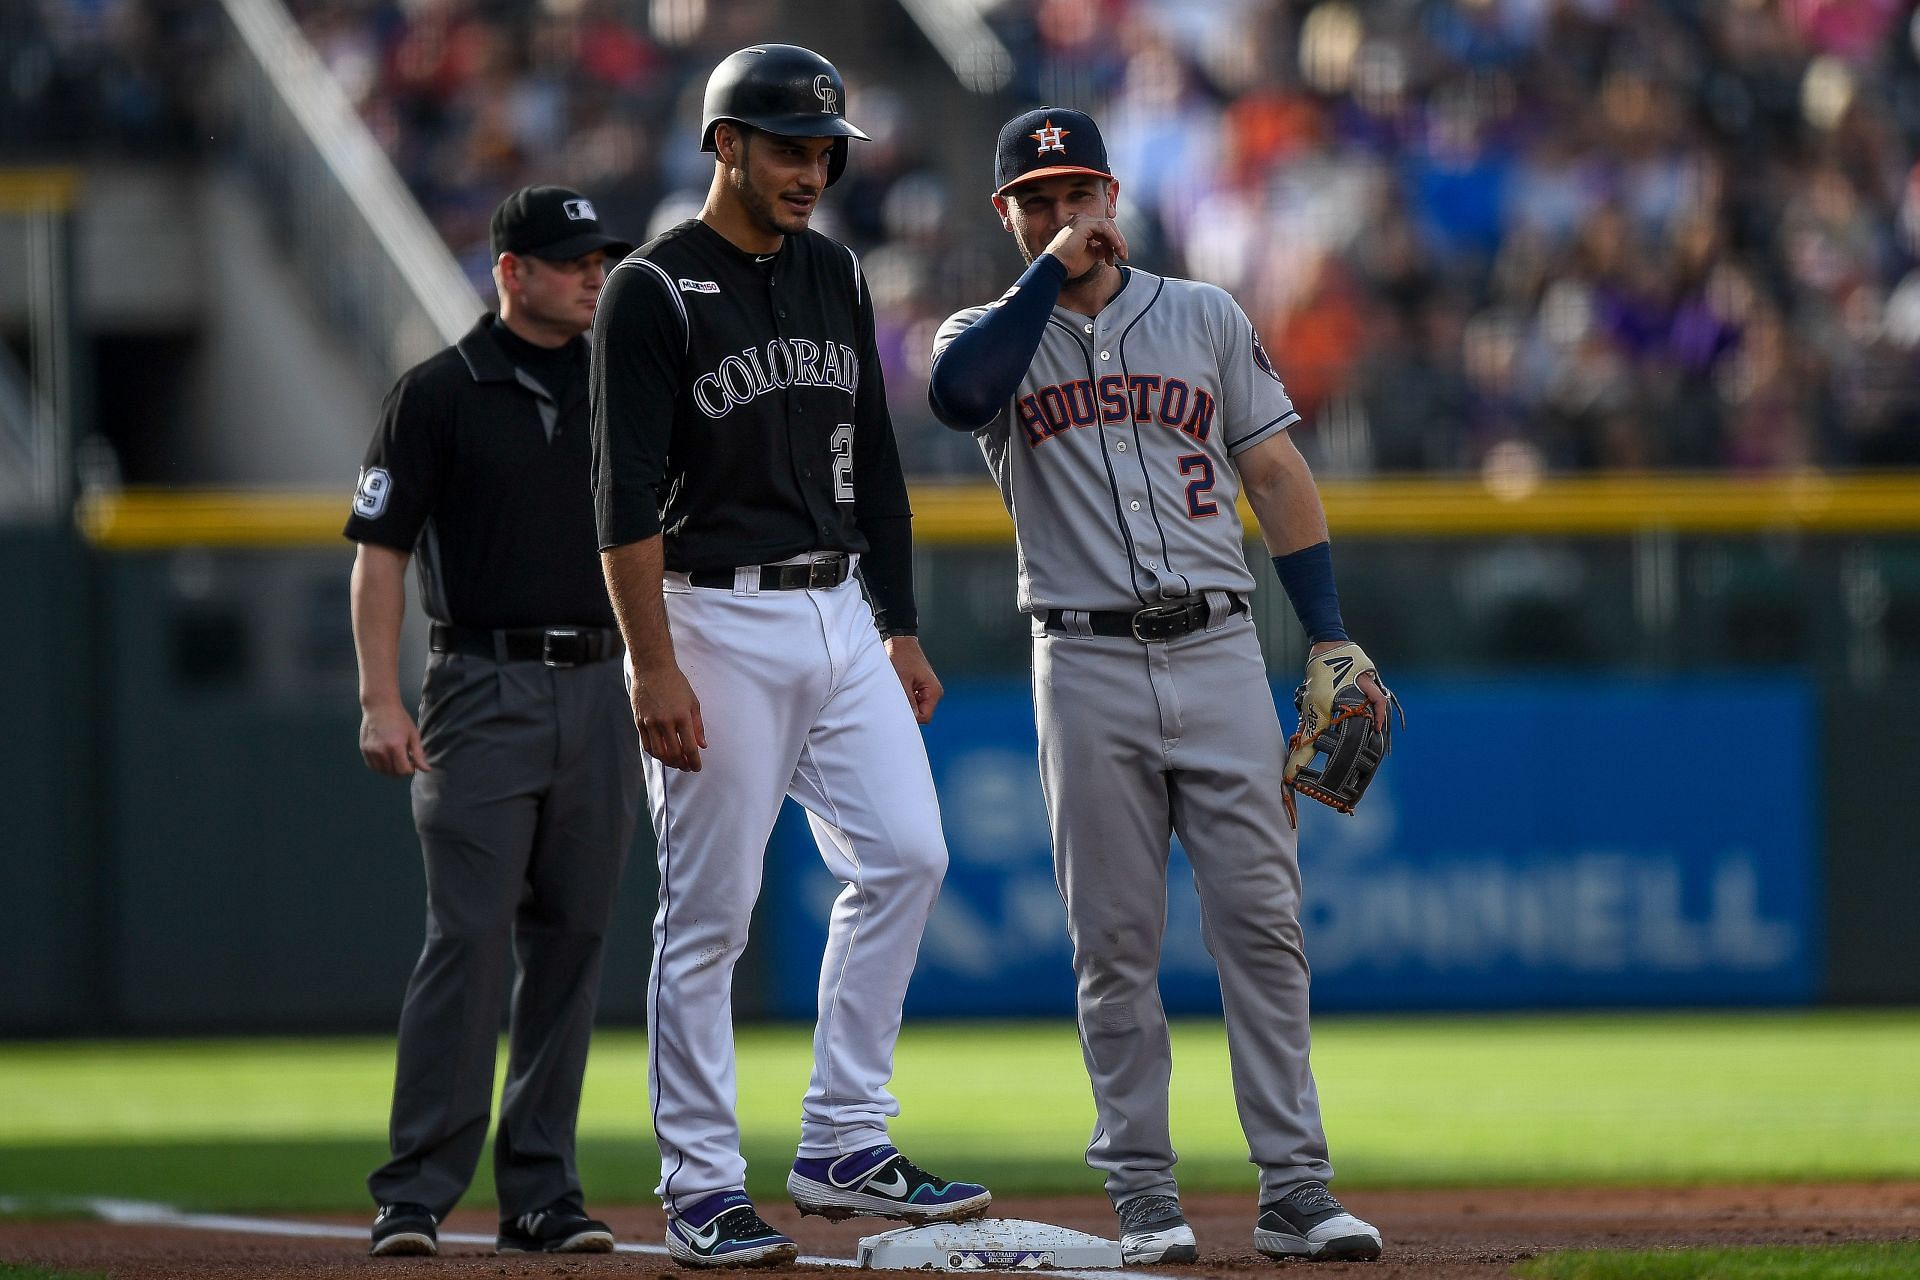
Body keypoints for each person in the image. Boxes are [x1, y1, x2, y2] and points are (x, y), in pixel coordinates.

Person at [927, 108, 1392, 1265]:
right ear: (1009, 216)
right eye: (1038, 199)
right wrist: (1045, 274)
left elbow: (1276, 472)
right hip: (1081, 658)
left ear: (1113, 196)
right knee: (1114, 940)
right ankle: (1144, 1194)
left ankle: (1297, 1188)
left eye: (1079, 193)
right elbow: (956, 396)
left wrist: (1327, 634)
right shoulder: (988, 330)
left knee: (1264, 924)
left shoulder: (1202, 314)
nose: (1064, 213)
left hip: (1220, 644)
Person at [589, 44, 991, 1269]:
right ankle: (703, 1184)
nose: (812, 167)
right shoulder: (651, 289)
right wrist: (650, 662)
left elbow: (873, 458)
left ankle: (843, 1140)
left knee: (909, 854)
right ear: (724, 147)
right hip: (708, 615)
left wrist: (901, 620)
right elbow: (621, 498)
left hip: (837, 613)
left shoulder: (833, 270)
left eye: (824, 149)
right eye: (786, 146)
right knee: (709, 913)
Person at [346, 185, 639, 1258]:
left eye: (599, 258)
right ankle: (415, 1188)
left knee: (573, 945)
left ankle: (541, 1192)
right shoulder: (437, 391)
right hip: (479, 684)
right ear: (512, 271)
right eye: (570, 260)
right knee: (466, 940)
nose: (593, 273)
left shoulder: (623, 384)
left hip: (602, 684)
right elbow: (378, 553)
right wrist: (382, 696)